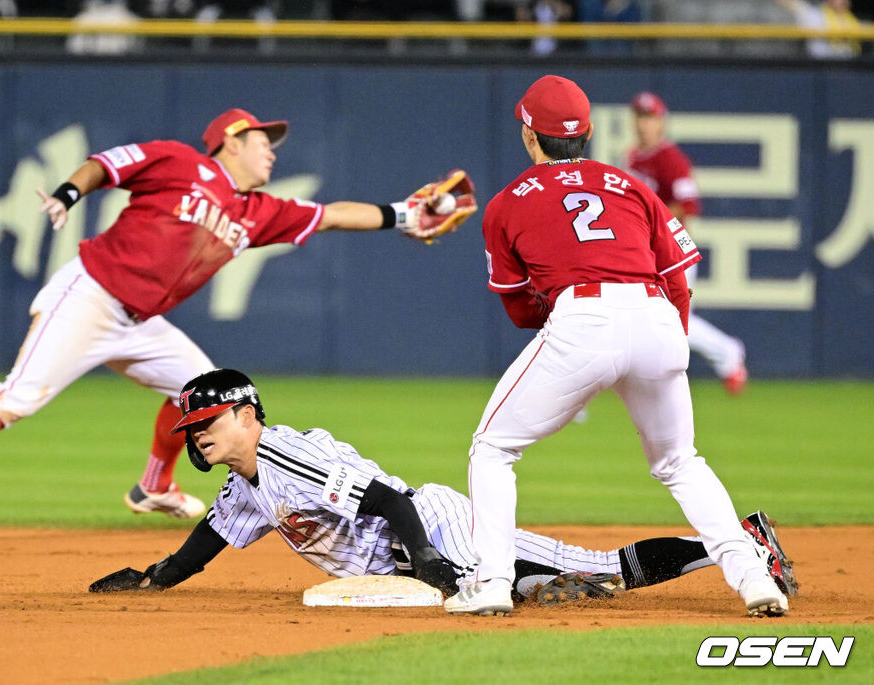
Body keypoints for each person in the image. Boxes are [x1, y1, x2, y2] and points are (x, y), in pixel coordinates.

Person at [0, 108, 470, 541]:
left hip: (142, 321)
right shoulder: (179, 161)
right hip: (90, 294)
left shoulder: (260, 211)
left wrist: (403, 215)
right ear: (232, 141)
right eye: (263, 141)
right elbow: (107, 164)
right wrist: (71, 191)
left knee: (204, 392)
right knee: (17, 398)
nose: (272, 152)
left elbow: (335, 216)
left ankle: (153, 485)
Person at [443, 75, 790, 618]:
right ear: (587, 134)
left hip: (582, 317)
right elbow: (677, 274)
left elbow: (518, 309)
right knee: (680, 460)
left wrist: (572, 330)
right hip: (655, 315)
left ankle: (490, 584)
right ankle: (753, 578)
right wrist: (670, 339)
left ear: (530, 136)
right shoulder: (627, 184)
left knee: (493, 450)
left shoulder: (507, 203)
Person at [87, 368, 798, 607]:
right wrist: (153, 579)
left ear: (246, 414)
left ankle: (741, 541)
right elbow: (207, 541)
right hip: (413, 553)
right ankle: (738, 539)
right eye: (191, 426)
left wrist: (430, 560)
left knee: (588, 573)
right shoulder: (244, 483)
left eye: (208, 420)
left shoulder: (286, 454)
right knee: (585, 573)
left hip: (429, 523)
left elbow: (390, 501)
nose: (197, 434)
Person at [627, 91, 748, 394]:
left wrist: (651, 218)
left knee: (673, 321)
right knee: (651, 318)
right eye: (640, 117)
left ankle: (727, 352)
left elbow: (690, 206)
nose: (644, 124)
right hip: (646, 251)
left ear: (661, 122)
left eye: (650, 117)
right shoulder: (632, 157)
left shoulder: (672, 160)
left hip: (673, 251)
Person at [773, 0, 862, 59]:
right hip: (820, 67)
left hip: (847, 67)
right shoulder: (816, 16)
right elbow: (796, 6)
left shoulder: (852, 20)